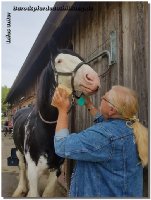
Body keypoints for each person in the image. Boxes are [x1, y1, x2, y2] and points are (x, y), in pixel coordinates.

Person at [52, 85, 148, 197]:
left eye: (104, 97)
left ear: (112, 110)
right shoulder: (130, 127)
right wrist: (86, 103)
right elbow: (102, 120)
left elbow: (61, 145)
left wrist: (62, 110)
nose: (101, 96)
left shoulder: (105, 136)